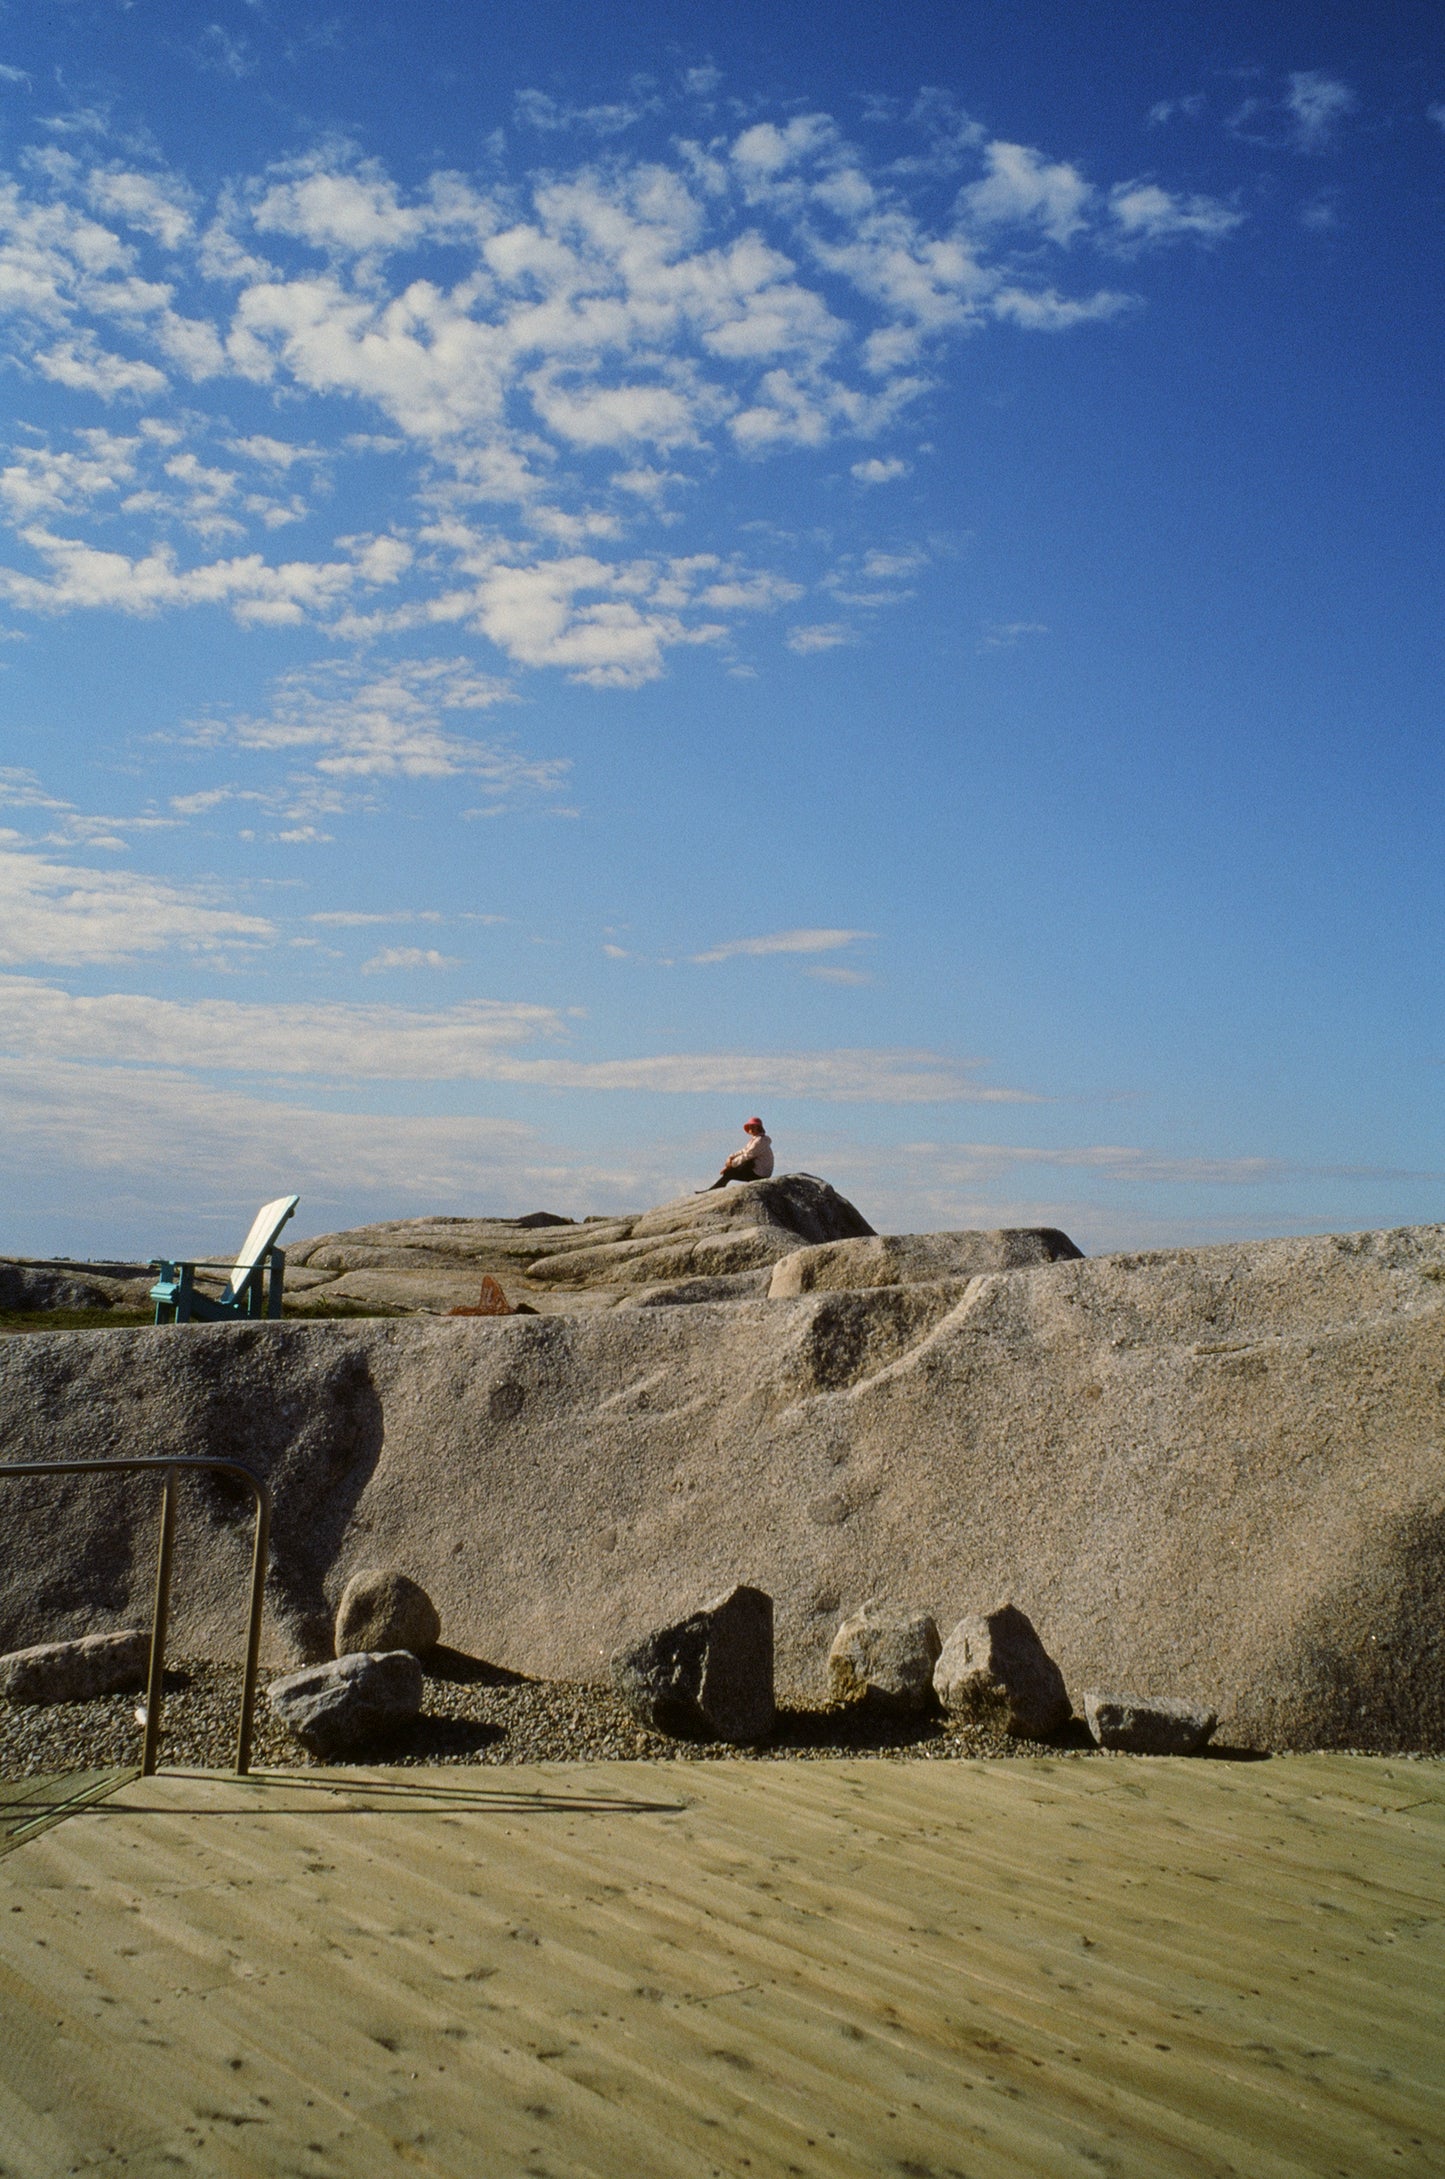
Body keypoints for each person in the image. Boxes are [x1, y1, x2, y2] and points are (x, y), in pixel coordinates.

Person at [703, 1116, 774, 1189]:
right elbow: (744, 1150)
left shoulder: (760, 1141)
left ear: (758, 1128)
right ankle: (717, 1187)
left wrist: (731, 1165)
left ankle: (715, 1188)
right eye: (750, 1127)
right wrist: (731, 1157)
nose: (751, 1129)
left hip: (760, 1173)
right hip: (758, 1171)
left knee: (730, 1172)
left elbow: (748, 1155)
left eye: (753, 1127)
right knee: (730, 1171)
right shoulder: (756, 1139)